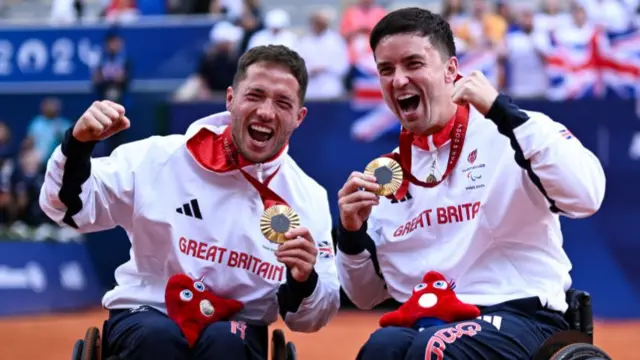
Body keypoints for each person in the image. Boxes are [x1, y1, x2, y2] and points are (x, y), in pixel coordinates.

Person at [336, 7, 605, 360]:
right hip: (425, 320)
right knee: (380, 350)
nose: (398, 79)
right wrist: (351, 233)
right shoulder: (387, 173)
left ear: (451, 71)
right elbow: (366, 296)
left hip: (520, 317)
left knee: (433, 350)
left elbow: (587, 196)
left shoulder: (514, 132)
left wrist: (502, 112)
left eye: (413, 64)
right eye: (386, 69)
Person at [39, 45, 340, 360]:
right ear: (230, 99)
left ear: (299, 117)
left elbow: (310, 318)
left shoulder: (308, 197)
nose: (265, 111)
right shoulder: (160, 158)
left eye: (282, 102)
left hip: (237, 327)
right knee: (157, 338)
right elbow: (67, 208)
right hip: (146, 312)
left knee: (226, 343)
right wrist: (78, 144)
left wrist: (304, 280)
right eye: (254, 95)